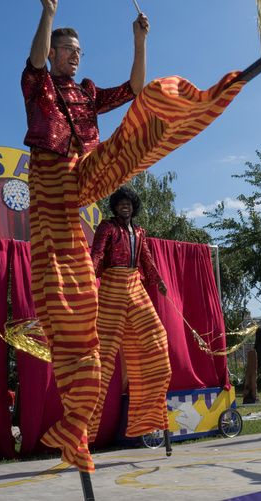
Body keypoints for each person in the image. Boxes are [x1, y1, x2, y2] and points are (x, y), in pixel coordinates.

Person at [21, 0, 243, 473]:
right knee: (73, 304)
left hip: (85, 171)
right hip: (50, 176)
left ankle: (196, 106)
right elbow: (35, 59)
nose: (76, 58)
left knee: (138, 127)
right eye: (69, 51)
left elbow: (133, 90)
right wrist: (47, 13)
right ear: (55, 52)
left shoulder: (86, 92)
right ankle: (74, 425)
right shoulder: (38, 83)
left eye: (79, 52)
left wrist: (139, 41)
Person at [87, 187, 170, 443]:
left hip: (135, 285)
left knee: (158, 342)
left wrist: (157, 281)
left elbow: (146, 259)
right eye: (121, 204)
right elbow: (98, 252)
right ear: (115, 207)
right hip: (112, 286)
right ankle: (84, 432)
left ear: (134, 207)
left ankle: (148, 419)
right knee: (102, 357)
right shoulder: (107, 227)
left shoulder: (140, 231)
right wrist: (89, 274)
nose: (125, 207)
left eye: (129, 204)